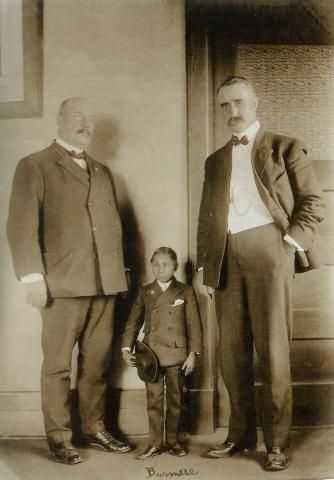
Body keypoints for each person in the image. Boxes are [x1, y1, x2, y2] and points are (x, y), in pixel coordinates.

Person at [196, 76, 325, 471]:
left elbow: (313, 203)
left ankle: (276, 443)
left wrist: (288, 245)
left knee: (272, 351)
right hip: (224, 257)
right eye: (225, 106)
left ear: (254, 103)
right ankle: (238, 435)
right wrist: (204, 266)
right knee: (231, 353)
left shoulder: (285, 147)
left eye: (239, 103)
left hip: (270, 250)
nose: (233, 112)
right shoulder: (215, 160)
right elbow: (207, 217)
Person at [7, 97, 132, 464]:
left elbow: (112, 228)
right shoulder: (34, 166)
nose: (85, 123)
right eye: (78, 116)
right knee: (58, 366)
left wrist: (119, 275)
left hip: (105, 285)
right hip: (61, 284)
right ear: (59, 120)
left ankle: (94, 428)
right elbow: (20, 226)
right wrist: (33, 278)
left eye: (90, 118)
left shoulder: (103, 171)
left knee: (98, 362)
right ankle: (60, 438)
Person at [122, 247, 202, 460]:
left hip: (177, 355)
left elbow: (194, 324)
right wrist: (125, 348)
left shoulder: (185, 291)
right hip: (151, 357)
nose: (160, 269)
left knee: (176, 400)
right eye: (156, 264)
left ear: (175, 266)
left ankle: (173, 441)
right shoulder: (145, 291)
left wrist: (193, 353)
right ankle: (155, 443)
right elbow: (133, 321)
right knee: (153, 401)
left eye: (165, 264)